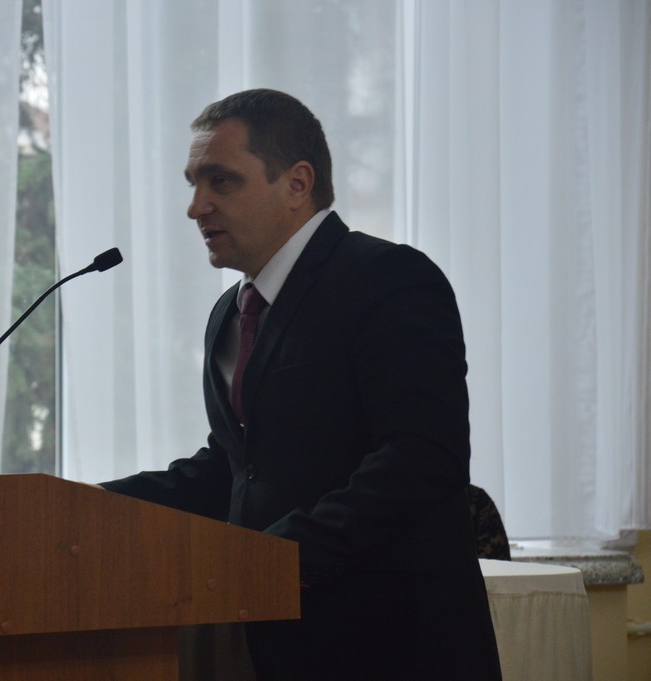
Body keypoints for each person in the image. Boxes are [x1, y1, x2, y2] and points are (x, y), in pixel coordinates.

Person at [100, 89, 502, 680]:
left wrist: (277, 556)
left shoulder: (389, 279)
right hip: (279, 645)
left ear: (297, 183)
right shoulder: (229, 314)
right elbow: (237, 469)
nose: (196, 207)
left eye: (221, 181)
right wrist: (86, 505)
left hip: (395, 643)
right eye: (193, 184)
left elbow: (421, 458)